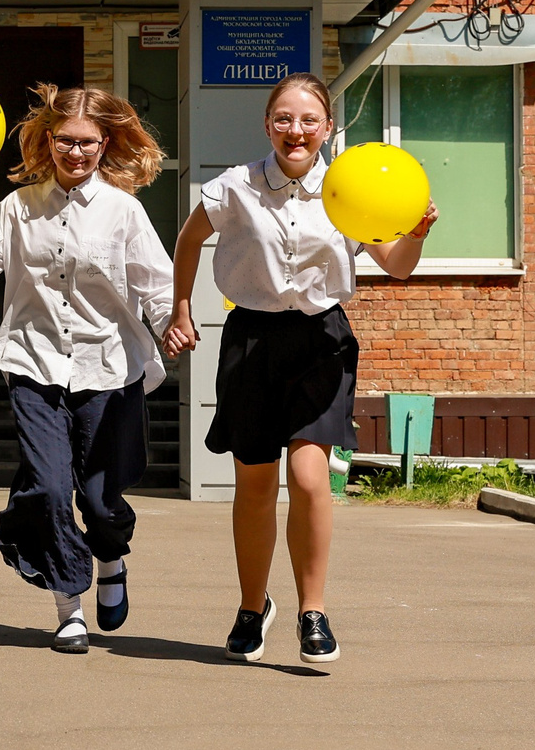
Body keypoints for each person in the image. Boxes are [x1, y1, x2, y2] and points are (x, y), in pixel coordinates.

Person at [163, 71, 436, 666]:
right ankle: (251, 607)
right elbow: (188, 241)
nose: (296, 130)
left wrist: (415, 232)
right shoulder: (236, 186)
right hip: (251, 342)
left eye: (309, 120)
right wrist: (180, 308)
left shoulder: (348, 192)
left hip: (321, 342)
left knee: (310, 478)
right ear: (267, 125)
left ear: (328, 128)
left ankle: (313, 610)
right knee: (256, 483)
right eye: (284, 118)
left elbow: (398, 265)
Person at [0, 84, 173, 653]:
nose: (76, 152)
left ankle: (111, 555)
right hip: (34, 361)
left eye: (87, 142)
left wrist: (174, 323)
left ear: (104, 145)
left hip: (109, 366)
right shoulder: (19, 207)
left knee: (100, 499)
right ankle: (68, 606)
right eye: (66, 141)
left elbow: (157, 285)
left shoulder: (123, 210)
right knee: (47, 489)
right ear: (48, 141)